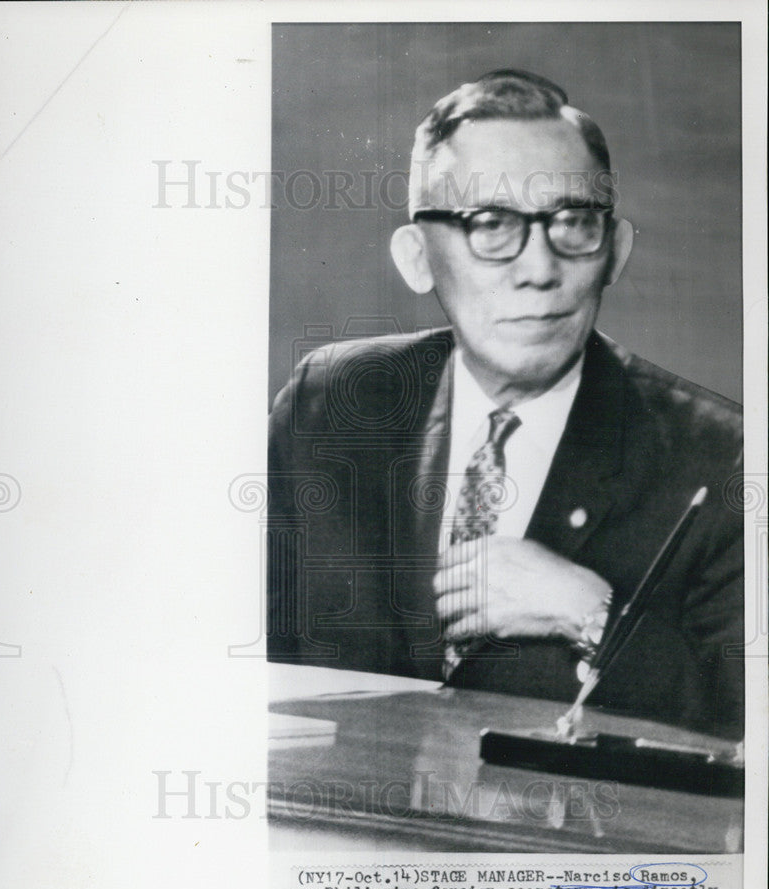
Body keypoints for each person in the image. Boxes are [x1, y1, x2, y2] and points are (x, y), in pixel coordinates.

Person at [267, 70, 743, 740]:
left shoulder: (722, 456)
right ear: (416, 257)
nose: (539, 268)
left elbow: (749, 735)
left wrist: (590, 612)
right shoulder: (333, 404)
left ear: (616, 252)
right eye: (490, 224)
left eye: (574, 223)